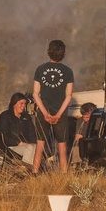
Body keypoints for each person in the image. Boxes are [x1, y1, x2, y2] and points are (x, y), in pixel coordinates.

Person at [33, 39, 74, 173]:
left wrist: (45, 113)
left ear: (49, 52)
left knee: (40, 144)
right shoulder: (68, 71)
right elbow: (68, 96)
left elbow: (35, 94)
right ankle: (63, 175)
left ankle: (34, 173)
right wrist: (58, 115)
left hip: (42, 112)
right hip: (60, 113)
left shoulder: (40, 69)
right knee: (62, 147)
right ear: (63, 53)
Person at [0, 92, 43, 171]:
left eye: (24, 104)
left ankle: (25, 170)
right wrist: (18, 142)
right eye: (21, 103)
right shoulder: (5, 116)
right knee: (30, 148)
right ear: (14, 104)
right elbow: (3, 134)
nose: (23, 106)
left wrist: (34, 143)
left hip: (27, 146)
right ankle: (26, 172)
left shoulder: (26, 117)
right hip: (10, 146)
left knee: (35, 147)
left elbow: (32, 133)